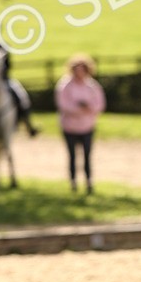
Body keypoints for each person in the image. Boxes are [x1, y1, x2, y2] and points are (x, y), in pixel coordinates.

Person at [54, 54, 106, 193]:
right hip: (70, 126)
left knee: (87, 156)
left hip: (87, 126)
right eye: (77, 69)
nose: (79, 72)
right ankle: (73, 182)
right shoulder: (65, 85)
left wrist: (88, 108)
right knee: (72, 155)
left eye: (82, 69)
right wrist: (78, 109)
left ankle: (89, 182)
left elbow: (99, 105)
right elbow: (62, 104)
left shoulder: (92, 86)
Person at [0, 19, 39, 135]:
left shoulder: (3, 46)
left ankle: (28, 125)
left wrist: (1, 75)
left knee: (21, 96)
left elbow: (9, 65)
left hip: (3, 80)